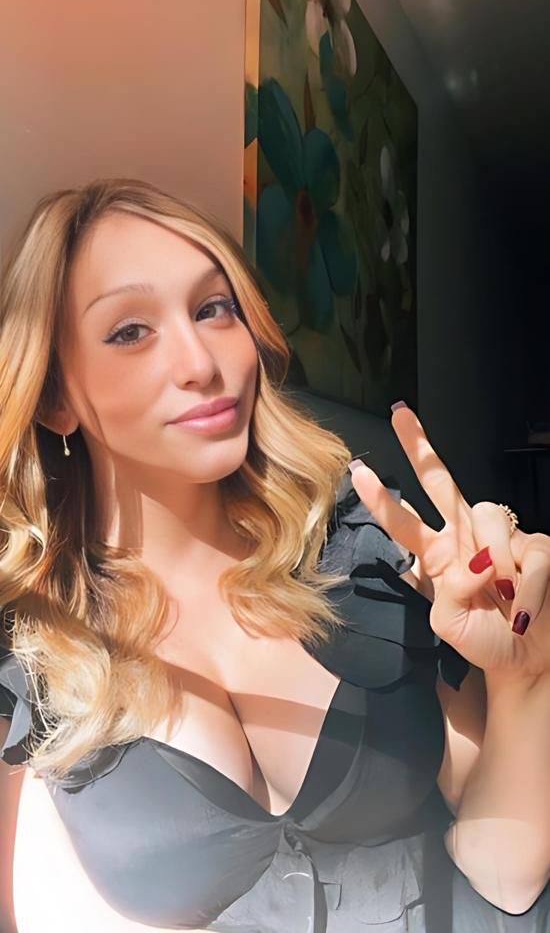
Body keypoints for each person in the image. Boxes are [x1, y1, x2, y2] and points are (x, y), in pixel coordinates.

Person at [0, 177, 548, 933]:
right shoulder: (32, 653)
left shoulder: (354, 556)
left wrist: (523, 677)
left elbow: (508, 879)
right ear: (56, 397)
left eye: (212, 308)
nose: (201, 362)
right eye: (130, 330)